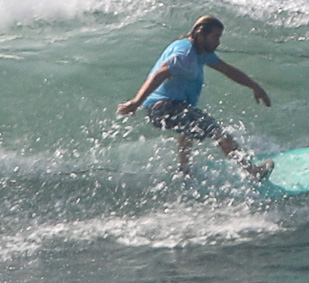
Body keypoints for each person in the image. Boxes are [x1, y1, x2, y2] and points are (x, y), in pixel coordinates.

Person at [117, 15, 273, 179]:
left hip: (167, 107)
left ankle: (185, 171)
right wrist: (136, 102)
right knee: (217, 132)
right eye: (215, 37)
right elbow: (159, 74)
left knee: (188, 128)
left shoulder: (201, 52)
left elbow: (227, 69)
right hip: (164, 107)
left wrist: (255, 86)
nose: (218, 42)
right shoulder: (184, 54)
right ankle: (252, 172)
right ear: (200, 33)